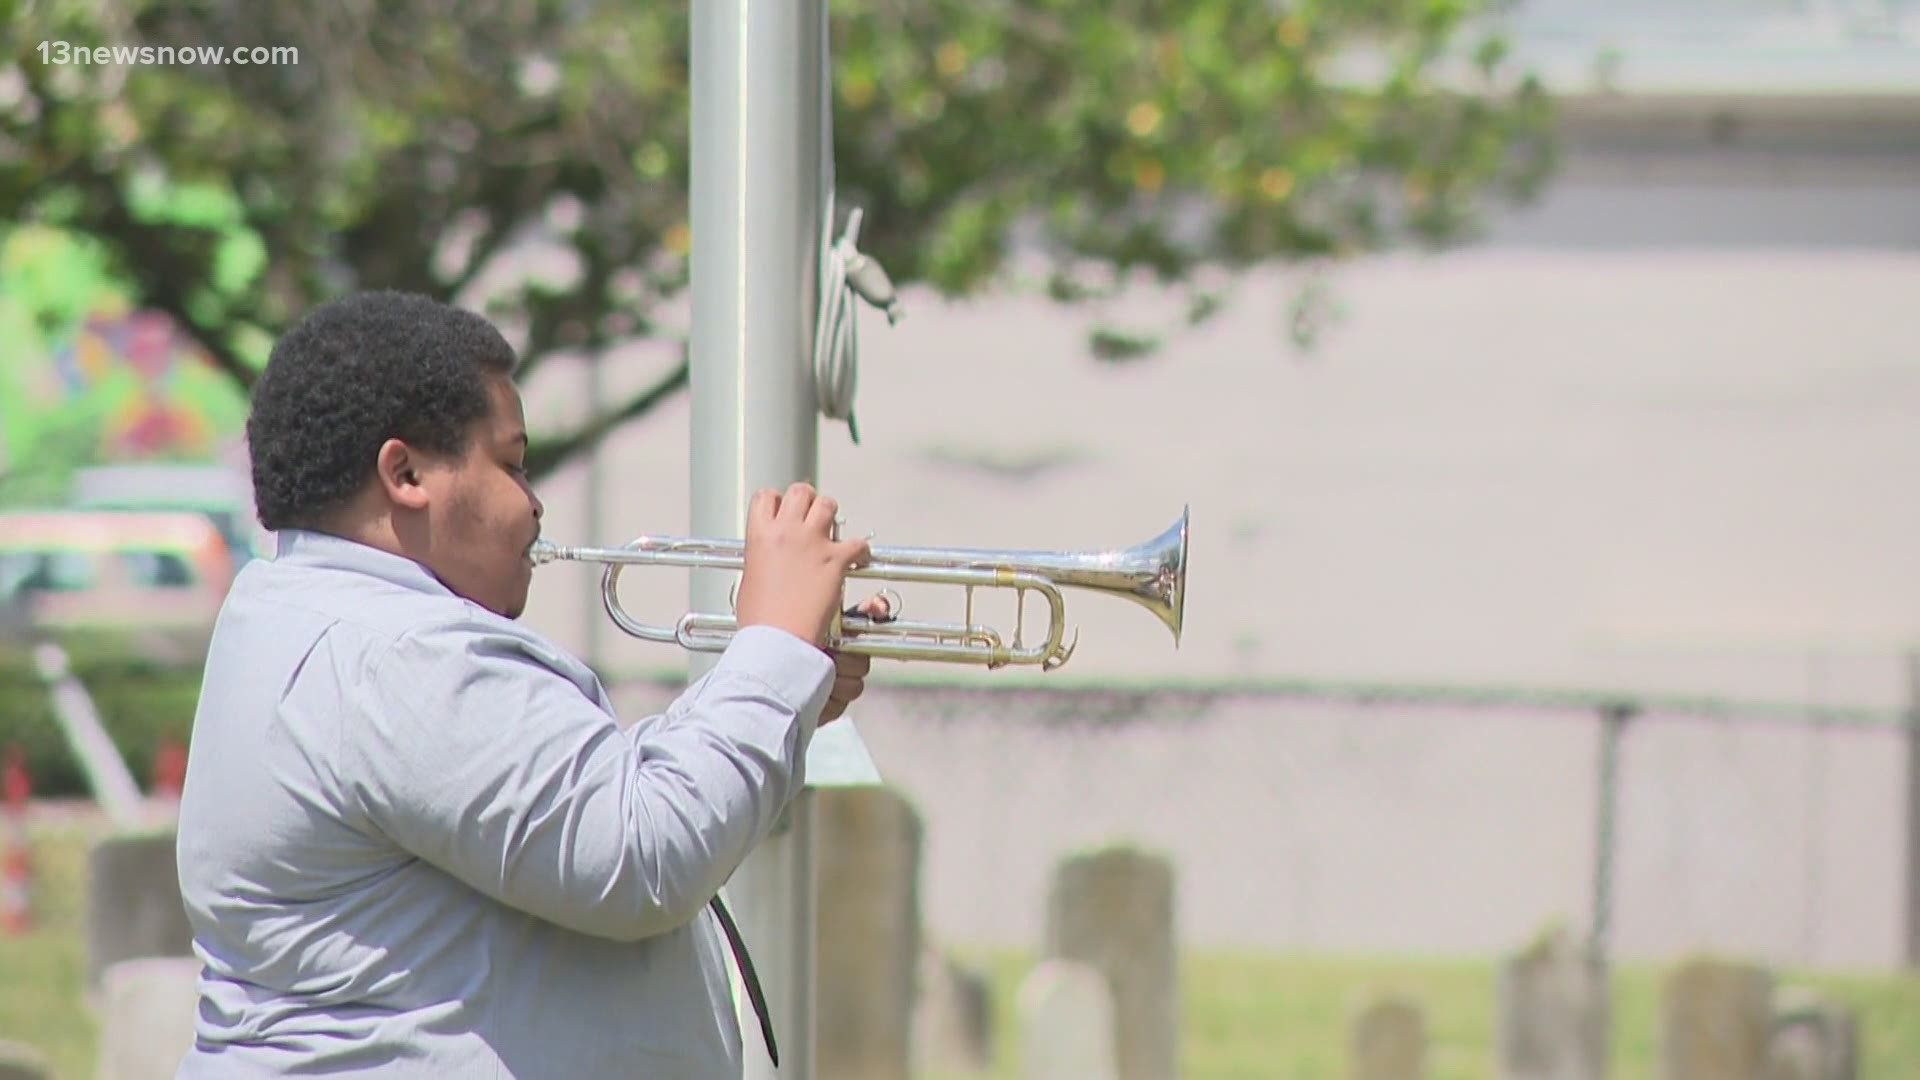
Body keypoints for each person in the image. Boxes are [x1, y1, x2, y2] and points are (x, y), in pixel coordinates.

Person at [174, 290, 882, 1077]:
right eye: (511, 464)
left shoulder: (304, 615)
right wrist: (775, 648)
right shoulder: (396, 654)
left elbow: (570, 804)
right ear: (405, 474)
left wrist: (774, 689)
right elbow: (642, 855)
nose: (534, 503)